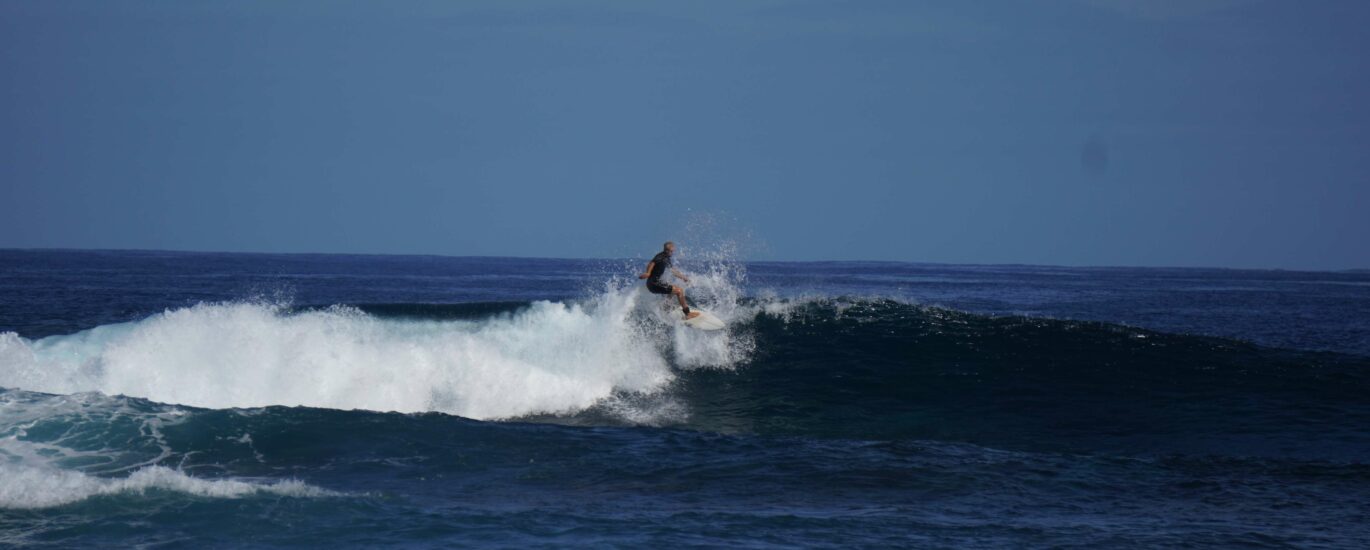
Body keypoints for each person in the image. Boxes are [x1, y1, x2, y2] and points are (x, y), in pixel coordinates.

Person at [639, 241, 701, 319]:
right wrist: (648, 273)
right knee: (679, 291)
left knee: (673, 290)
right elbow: (652, 263)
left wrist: (684, 278)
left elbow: (672, 270)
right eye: (672, 251)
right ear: (667, 250)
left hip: (654, 283)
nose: (673, 252)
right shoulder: (661, 257)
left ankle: (665, 308)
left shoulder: (666, 257)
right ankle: (687, 314)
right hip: (654, 284)